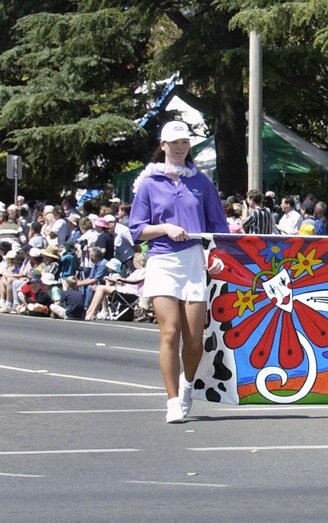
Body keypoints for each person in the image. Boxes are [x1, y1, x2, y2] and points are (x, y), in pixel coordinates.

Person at [128, 120, 228, 424]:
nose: (180, 147)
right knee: (169, 331)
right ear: (163, 146)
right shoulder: (148, 182)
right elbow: (137, 229)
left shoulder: (202, 182)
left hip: (193, 260)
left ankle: (187, 384)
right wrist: (165, 228)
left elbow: (218, 227)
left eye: (184, 142)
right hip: (161, 261)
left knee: (194, 339)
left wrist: (216, 255)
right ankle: (172, 400)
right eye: (174, 142)